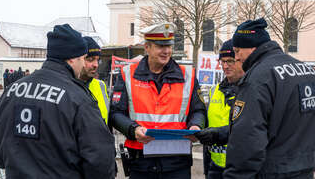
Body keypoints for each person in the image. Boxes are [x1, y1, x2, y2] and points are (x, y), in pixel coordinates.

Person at [0, 24, 115, 179]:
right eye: (83, 58)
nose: (83, 64)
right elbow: (100, 161)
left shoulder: (11, 91)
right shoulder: (77, 98)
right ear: (73, 58)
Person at [110, 22, 206, 179]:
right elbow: (115, 113)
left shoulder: (188, 74)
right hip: (141, 162)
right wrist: (133, 129)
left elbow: (199, 110)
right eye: (161, 46)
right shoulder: (127, 74)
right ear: (146, 47)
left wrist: (196, 125)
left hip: (177, 163)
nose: (167, 51)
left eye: (169, 46)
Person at [223, 18, 315, 179]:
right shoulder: (306, 71)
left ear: (252, 47)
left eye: (237, 51)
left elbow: (248, 139)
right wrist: (218, 134)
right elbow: (285, 123)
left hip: (272, 171)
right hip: (304, 169)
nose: (236, 57)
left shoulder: (258, 79)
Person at [195, 39, 244, 179]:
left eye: (230, 61)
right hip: (215, 167)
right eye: (222, 61)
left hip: (241, 167)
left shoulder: (250, 90)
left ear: (240, 61)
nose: (225, 66)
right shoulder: (214, 91)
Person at [80, 36, 110, 125]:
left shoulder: (101, 85)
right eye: (90, 60)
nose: (96, 65)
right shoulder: (67, 86)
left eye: (98, 60)